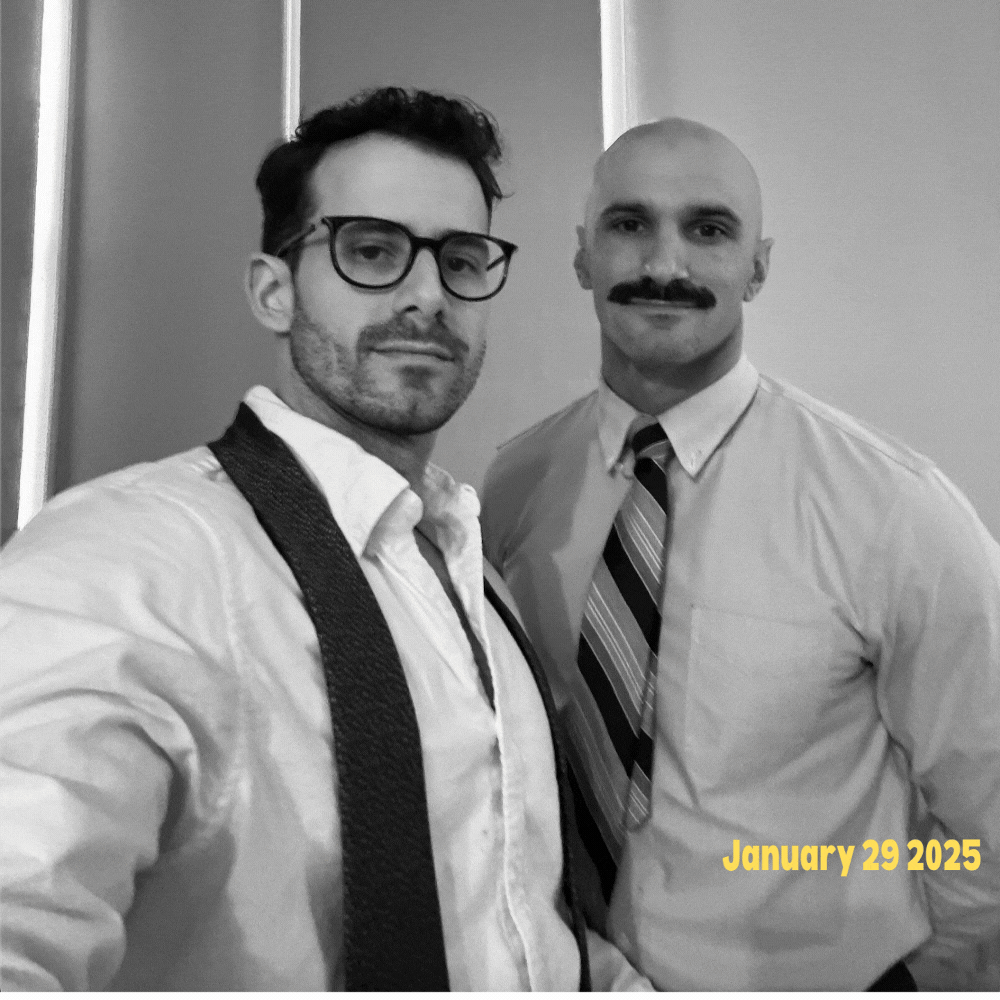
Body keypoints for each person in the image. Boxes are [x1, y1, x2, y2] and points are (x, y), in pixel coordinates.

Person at [0, 87, 650, 991]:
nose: (428, 295)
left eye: (461, 259)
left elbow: (526, 921)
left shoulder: (471, 573)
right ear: (274, 291)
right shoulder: (130, 559)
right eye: (372, 250)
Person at [481, 117, 1000, 991]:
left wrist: (908, 981)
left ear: (757, 267)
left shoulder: (895, 510)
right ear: (582, 256)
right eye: (629, 224)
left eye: (709, 230)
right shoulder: (514, 485)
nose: (665, 264)